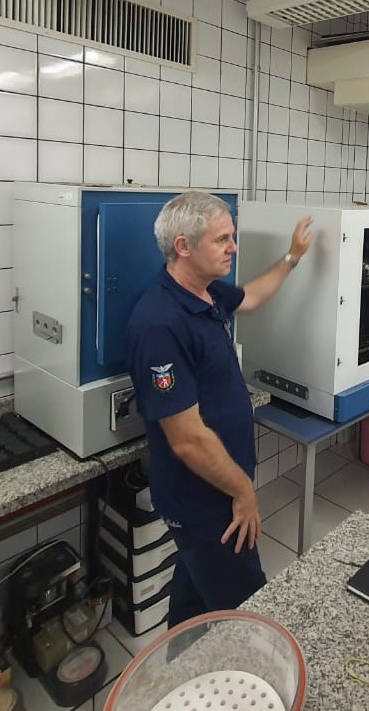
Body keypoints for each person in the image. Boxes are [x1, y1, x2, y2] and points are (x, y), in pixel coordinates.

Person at [125, 192, 313, 628]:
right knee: (247, 615)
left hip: (218, 492)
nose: (234, 248)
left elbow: (250, 298)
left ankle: (175, 672)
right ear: (183, 247)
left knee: (193, 600)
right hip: (207, 503)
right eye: (222, 239)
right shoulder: (159, 324)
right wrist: (243, 492)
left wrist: (293, 255)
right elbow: (188, 441)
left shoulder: (206, 294)